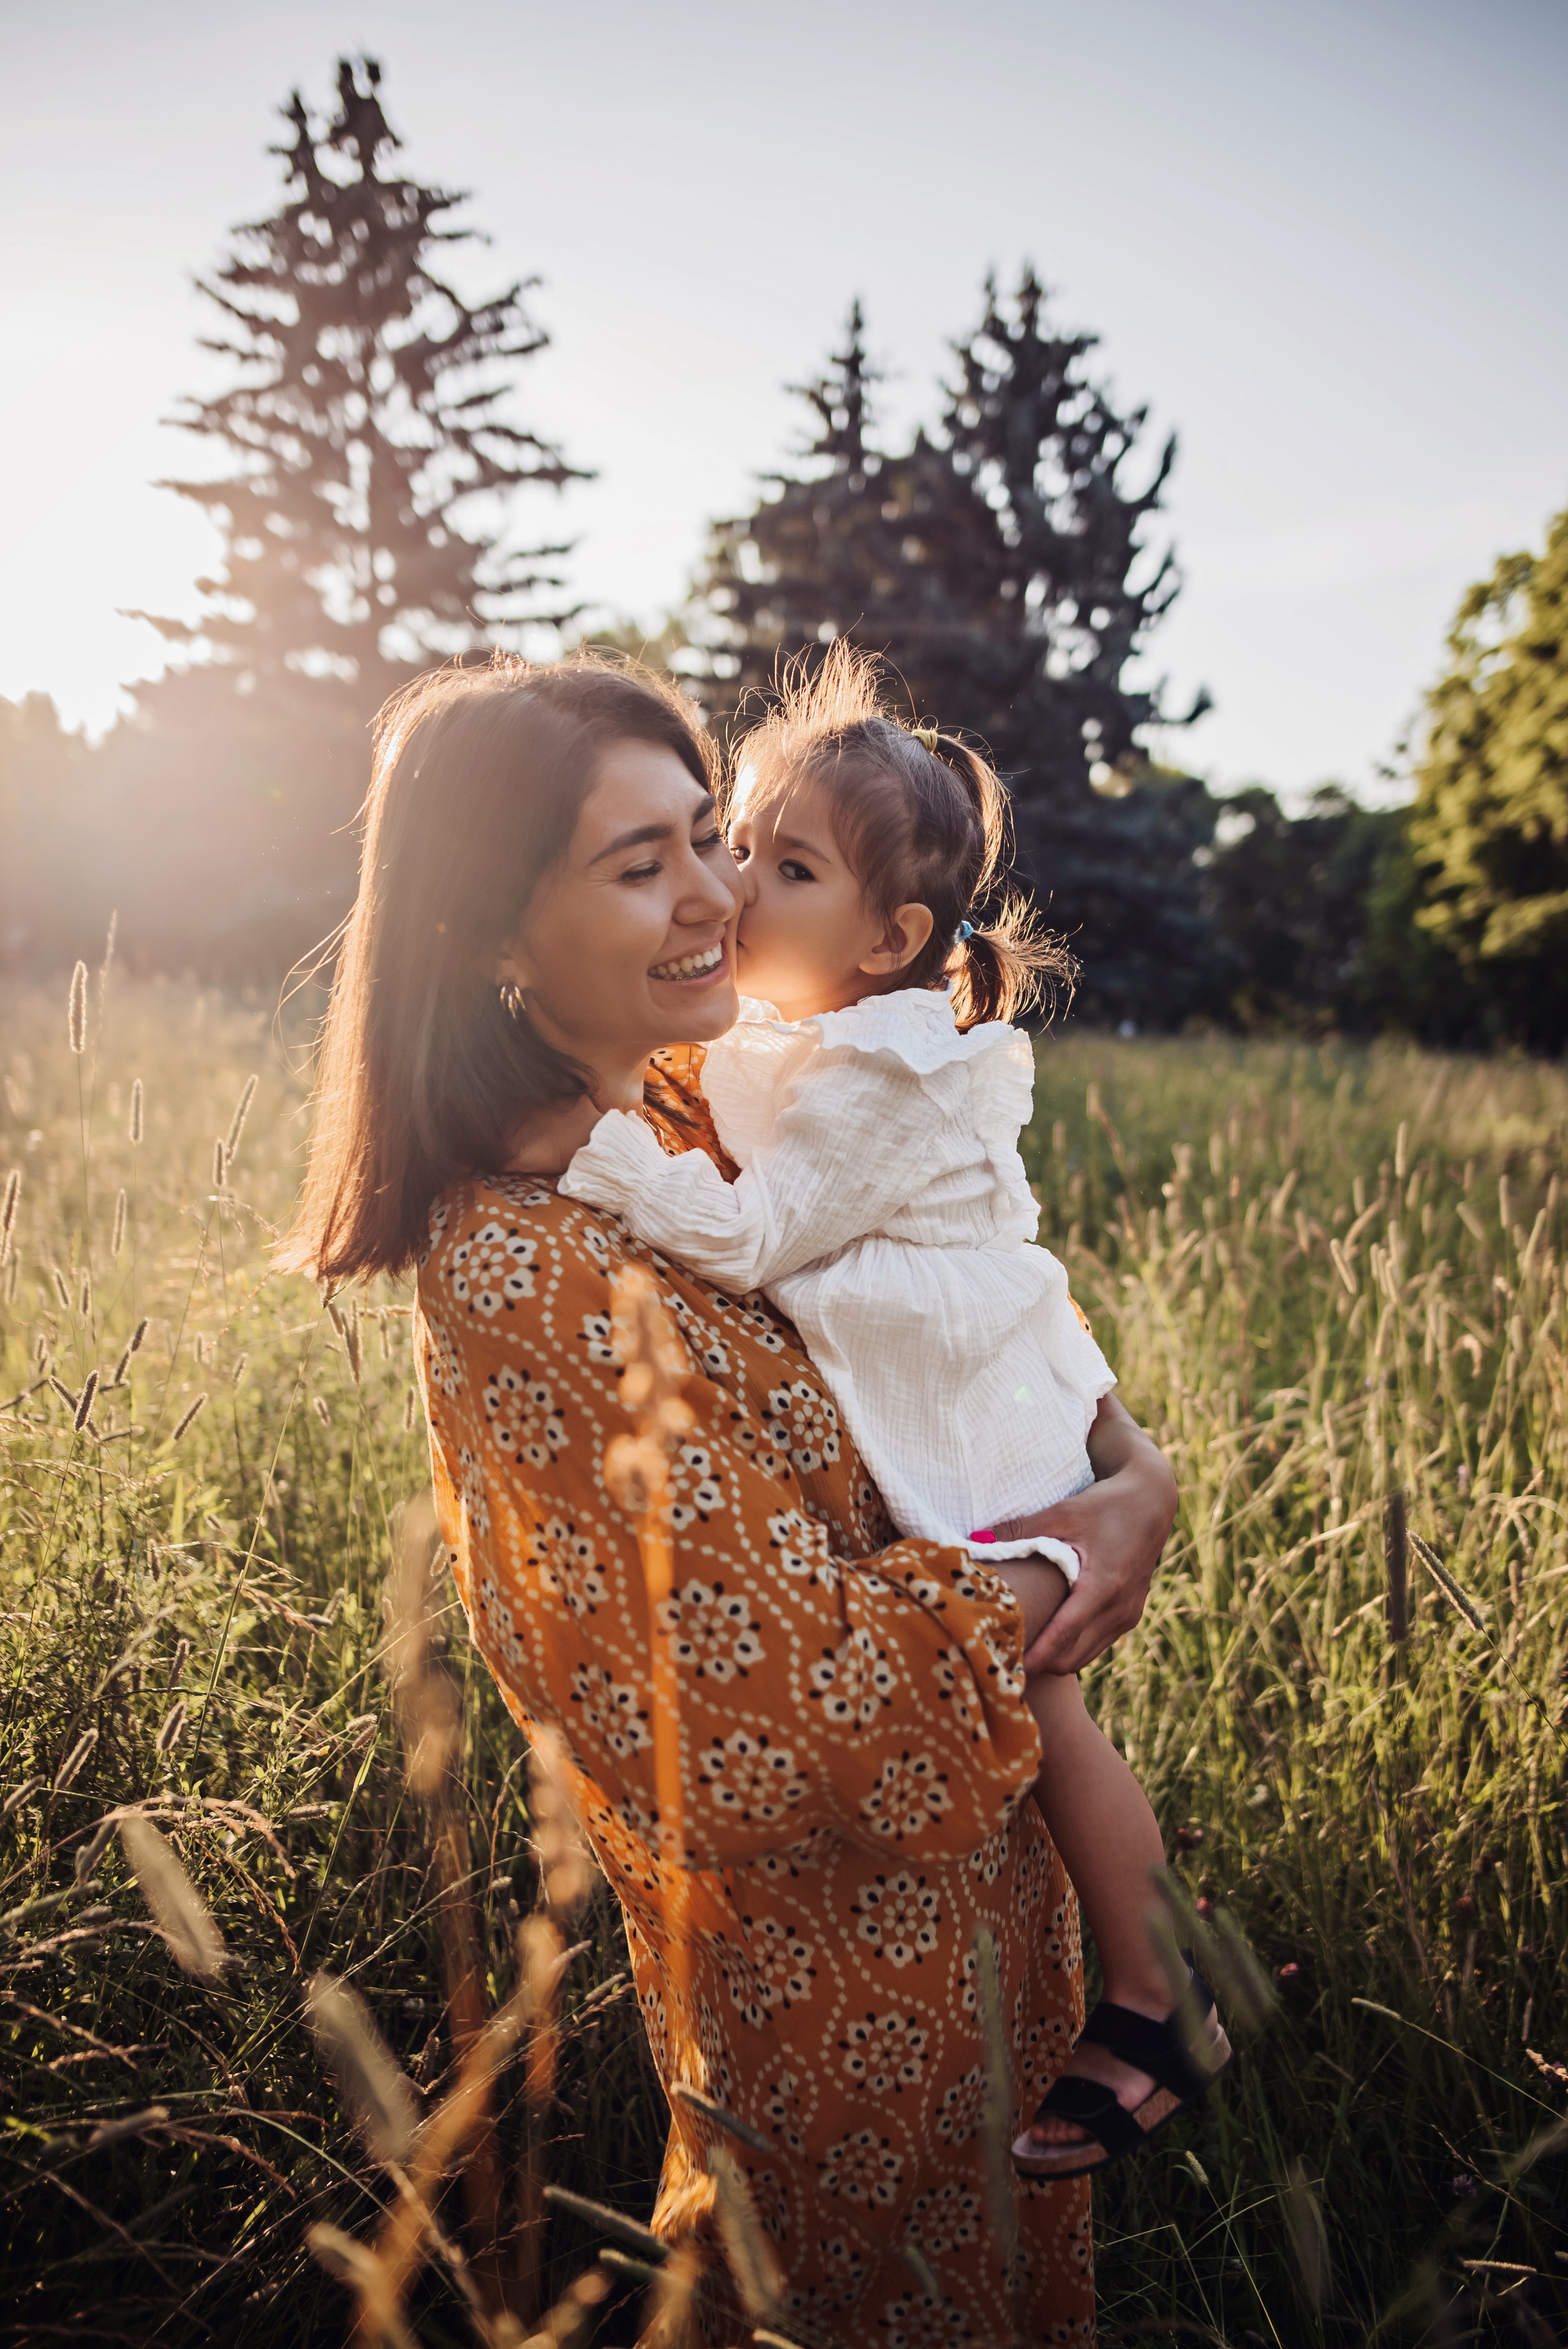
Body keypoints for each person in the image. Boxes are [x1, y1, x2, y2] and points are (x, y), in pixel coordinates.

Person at [285, 650, 1178, 2344]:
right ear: (488, 931)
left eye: (717, 836)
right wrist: (1078, 1545)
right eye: (644, 864)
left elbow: (959, 1281)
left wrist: (1134, 1462)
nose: (712, 895)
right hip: (833, 2022)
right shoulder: (525, 1262)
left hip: (988, 1953)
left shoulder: (722, 1092)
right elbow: (787, 1726)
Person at [558, 649, 1231, 2179]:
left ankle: (1160, 1985)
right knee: (1038, 1698)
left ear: (888, 938)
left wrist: (593, 1145)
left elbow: (739, 1234)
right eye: (735, 839)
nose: (731, 881)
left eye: (780, 867)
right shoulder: (808, 1027)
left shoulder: (873, 1072)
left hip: (976, 1398)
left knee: (1048, 1696)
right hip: (987, 1358)